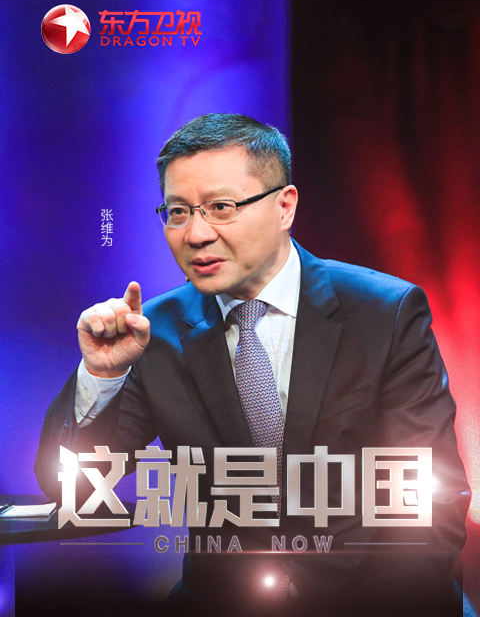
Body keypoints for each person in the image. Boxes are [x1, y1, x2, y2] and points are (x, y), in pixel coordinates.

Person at [35, 113, 470, 617]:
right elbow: (73, 491)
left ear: (284, 206)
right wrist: (102, 376)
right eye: (177, 212)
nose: (196, 234)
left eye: (221, 208)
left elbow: (430, 502)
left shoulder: (383, 312)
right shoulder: (153, 332)